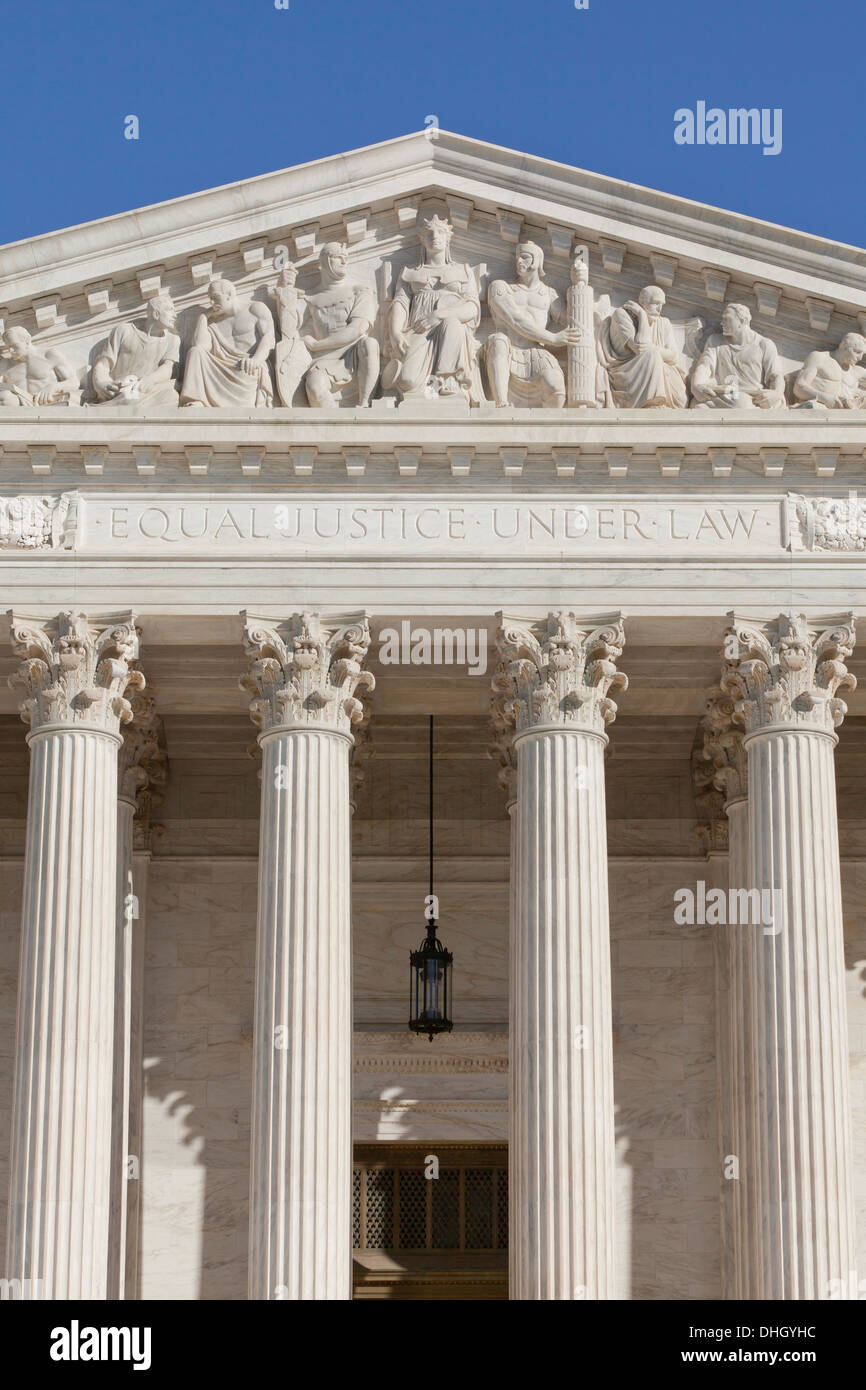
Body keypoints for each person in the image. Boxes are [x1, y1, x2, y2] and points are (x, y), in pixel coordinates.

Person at [383, 214, 482, 402]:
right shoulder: (410, 272)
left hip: (452, 332)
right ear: (421, 239)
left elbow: (472, 307)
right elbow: (401, 303)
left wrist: (439, 315)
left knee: (452, 323)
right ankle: (427, 387)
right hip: (419, 330)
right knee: (407, 381)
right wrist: (395, 332)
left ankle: (447, 378)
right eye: (429, 233)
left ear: (448, 237)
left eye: (440, 232)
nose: (434, 236)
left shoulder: (463, 270)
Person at [485, 242, 577, 408]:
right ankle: (501, 403)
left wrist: (580, 284)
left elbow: (572, 323)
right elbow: (515, 319)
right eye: (517, 257)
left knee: (556, 389)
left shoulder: (549, 295)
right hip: (507, 351)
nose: (519, 261)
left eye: (525, 257)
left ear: (537, 261)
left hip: (536, 353)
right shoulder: (501, 287)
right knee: (498, 340)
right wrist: (554, 338)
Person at [301, 243, 379, 407]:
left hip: (354, 352)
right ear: (323, 262)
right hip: (323, 358)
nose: (344, 262)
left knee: (370, 344)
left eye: (346, 258)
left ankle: (365, 403)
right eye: (338, 257)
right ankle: (336, 428)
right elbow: (301, 331)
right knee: (315, 387)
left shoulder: (359, 291)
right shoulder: (310, 298)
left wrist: (317, 344)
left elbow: (358, 328)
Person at [181, 278, 274, 407]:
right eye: (210, 298)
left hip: (246, 368)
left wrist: (256, 360)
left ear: (230, 295)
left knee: (251, 368)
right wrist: (203, 317)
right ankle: (197, 400)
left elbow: (269, 338)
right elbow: (199, 346)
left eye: (215, 297)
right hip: (219, 370)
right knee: (194, 352)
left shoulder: (255, 308)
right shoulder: (212, 321)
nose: (211, 302)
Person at [597, 285, 687, 408]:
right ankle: (652, 402)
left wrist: (652, 349)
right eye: (656, 303)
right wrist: (642, 316)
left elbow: (674, 356)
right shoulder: (622, 315)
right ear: (642, 302)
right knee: (651, 355)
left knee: (681, 398)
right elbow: (639, 347)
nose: (660, 309)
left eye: (662, 304)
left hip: (656, 368)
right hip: (625, 371)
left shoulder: (663, 323)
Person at [91, 292, 180, 406]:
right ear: (156, 314)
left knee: (171, 396)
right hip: (120, 390)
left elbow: (168, 368)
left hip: (149, 391)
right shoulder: (124, 331)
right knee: (128, 398)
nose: (175, 315)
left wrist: (150, 380)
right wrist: (101, 384)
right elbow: (103, 365)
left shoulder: (173, 340)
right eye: (169, 309)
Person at [691, 303, 784, 409]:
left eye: (727, 319)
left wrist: (776, 393)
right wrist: (696, 385)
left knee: (740, 403)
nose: (721, 323)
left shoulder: (764, 344)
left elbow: (776, 375)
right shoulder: (715, 341)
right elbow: (705, 366)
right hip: (722, 394)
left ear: (742, 321)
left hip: (751, 397)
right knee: (697, 406)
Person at [0, 326, 80, 405]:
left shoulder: (49, 355)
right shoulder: (5, 364)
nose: (10, 350)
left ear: (27, 341)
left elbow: (74, 382)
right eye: (8, 347)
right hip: (20, 402)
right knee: (3, 396)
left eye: (14, 346)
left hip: (47, 401)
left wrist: (53, 387)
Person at [793, 332, 866, 409]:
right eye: (857, 352)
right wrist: (824, 398)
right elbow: (799, 387)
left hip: (850, 415)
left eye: (862, 354)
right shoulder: (820, 358)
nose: (860, 358)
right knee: (814, 407)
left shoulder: (858, 371)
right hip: (821, 410)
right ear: (844, 346)